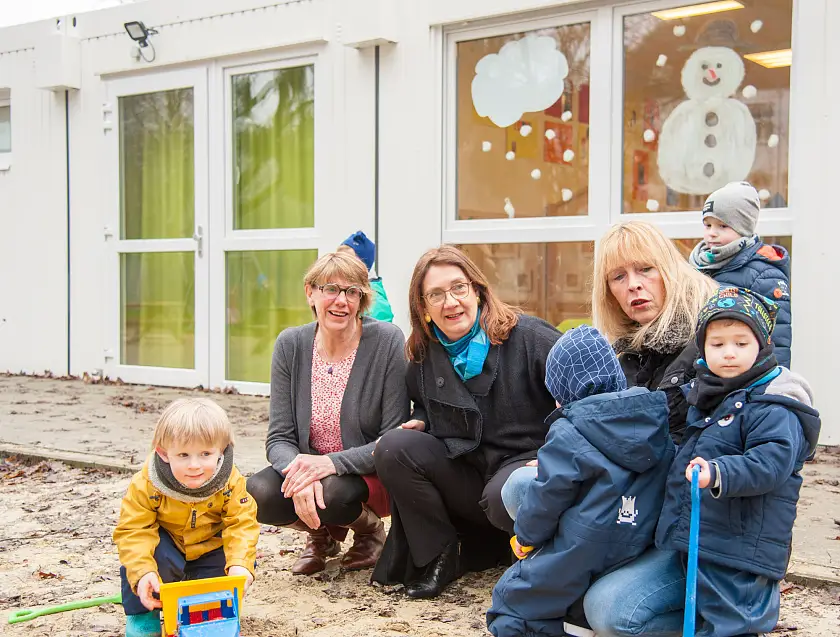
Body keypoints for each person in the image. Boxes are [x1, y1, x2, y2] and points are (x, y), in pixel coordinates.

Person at [584, 287, 820, 637]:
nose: (729, 353)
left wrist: (720, 472)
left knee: (729, 622)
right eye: (717, 344)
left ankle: (751, 616)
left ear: (763, 345)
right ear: (703, 348)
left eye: (741, 343)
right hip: (699, 539)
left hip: (740, 550)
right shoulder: (707, 394)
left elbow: (771, 463)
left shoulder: (773, 405)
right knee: (697, 614)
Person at [371, 246, 561, 599]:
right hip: (468, 470)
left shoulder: (531, 337)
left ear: (478, 290)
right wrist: (421, 420)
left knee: (503, 493)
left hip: (525, 465)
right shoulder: (422, 357)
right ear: (423, 308)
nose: (450, 302)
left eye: (458, 287)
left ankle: (527, 557)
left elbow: (583, 398)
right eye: (436, 295)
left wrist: (560, 449)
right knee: (394, 447)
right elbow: (424, 404)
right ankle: (441, 555)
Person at [487, 326, 675, 637]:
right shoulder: (654, 422)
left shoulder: (568, 433)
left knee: (515, 597)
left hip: (584, 543)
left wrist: (526, 537)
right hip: (636, 540)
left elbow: (546, 497)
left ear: (563, 394)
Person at [246, 251, 408, 576]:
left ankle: (370, 530)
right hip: (309, 466)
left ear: (362, 298)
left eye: (352, 292)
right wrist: (301, 474)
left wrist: (329, 464)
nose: (341, 301)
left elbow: (392, 438)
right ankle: (321, 536)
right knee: (257, 493)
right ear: (311, 292)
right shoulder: (290, 344)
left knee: (332, 492)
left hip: (365, 473)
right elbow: (279, 437)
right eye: (330, 289)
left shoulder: (387, 341)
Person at [113, 397, 259, 637]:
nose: (194, 465)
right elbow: (133, 530)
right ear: (164, 453)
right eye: (183, 455)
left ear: (221, 451)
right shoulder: (146, 483)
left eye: (205, 454)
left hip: (210, 548)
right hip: (168, 546)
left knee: (225, 575)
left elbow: (242, 524)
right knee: (145, 559)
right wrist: (142, 572)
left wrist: (239, 565)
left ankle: (210, 616)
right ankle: (143, 615)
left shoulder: (231, 482)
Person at [593, 220, 719, 444]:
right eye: (618, 276)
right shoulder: (624, 354)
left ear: (669, 269)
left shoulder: (715, 335)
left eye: (645, 269)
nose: (633, 284)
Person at [688, 181, 792, 366]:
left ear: (744, 228)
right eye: (708, 225)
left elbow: (778, 339)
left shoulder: (764, 274)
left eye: (722, 226)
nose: (712, 233)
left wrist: (772, 380)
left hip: (740, 371)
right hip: (703, 369)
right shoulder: (699, 265)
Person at [338, 230, 394, 322]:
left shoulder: (375, 301)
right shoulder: (346, 290)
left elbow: (381, 329)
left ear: (363, 265)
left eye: (347, 261)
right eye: (338, 260)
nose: (339, 266)